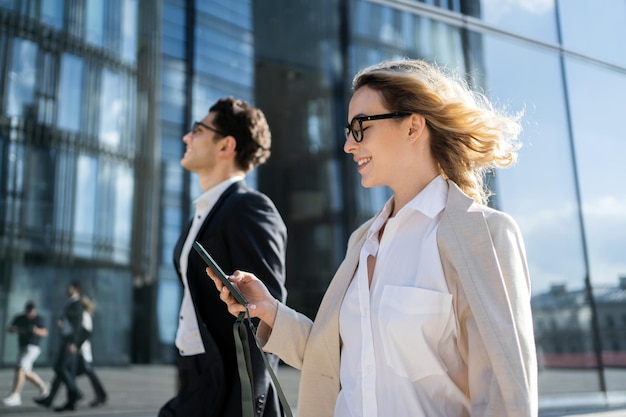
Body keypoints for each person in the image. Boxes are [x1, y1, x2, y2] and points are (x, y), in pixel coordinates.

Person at [209, 59, 538, 417]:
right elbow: (338, 358)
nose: (349, 144)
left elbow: (506, 396)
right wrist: (270, 310)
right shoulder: (363, 240)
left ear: (413, 127)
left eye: (360, 126)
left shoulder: (484, 234)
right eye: (348, 130)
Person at [158, 96, 287, 417]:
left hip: (227, 385)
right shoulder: (202, 213)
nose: (187, 137)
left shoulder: (249, 208)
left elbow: (265, 313)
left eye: (198, 130)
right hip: (194, 373)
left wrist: (251, 404)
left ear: (225, 145)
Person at [35, 281, 85, 412]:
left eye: (70, 287)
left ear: (76, 289)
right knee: (63, 371)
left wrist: (73, 342)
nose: (67, 289)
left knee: (60, 367)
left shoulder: (77, 304)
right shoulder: (70, 302)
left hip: (70, 341)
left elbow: (78, 325)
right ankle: (51, 400)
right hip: (66, 340)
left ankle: (75, 392)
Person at [2, 301, 49, 407]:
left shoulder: (39, 319)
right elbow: (10, 328)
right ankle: (42, 386)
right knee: (24, 372)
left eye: (32, 311)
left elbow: (45, 332)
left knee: (20, 369)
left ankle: (16, 395)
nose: (30, 314)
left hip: (33, 347)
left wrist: (36, 330)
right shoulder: (20, 318)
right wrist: (17, 329)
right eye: (28, 311)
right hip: (22, 347)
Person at [76, 295, 108, 407]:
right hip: (82, 350)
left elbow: (86, 332)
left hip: (82, 350)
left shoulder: (84, 315)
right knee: (88, 374)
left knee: (70, 372)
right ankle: (101, 395)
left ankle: (100, 395)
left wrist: (76, 345)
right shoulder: (84, 315)